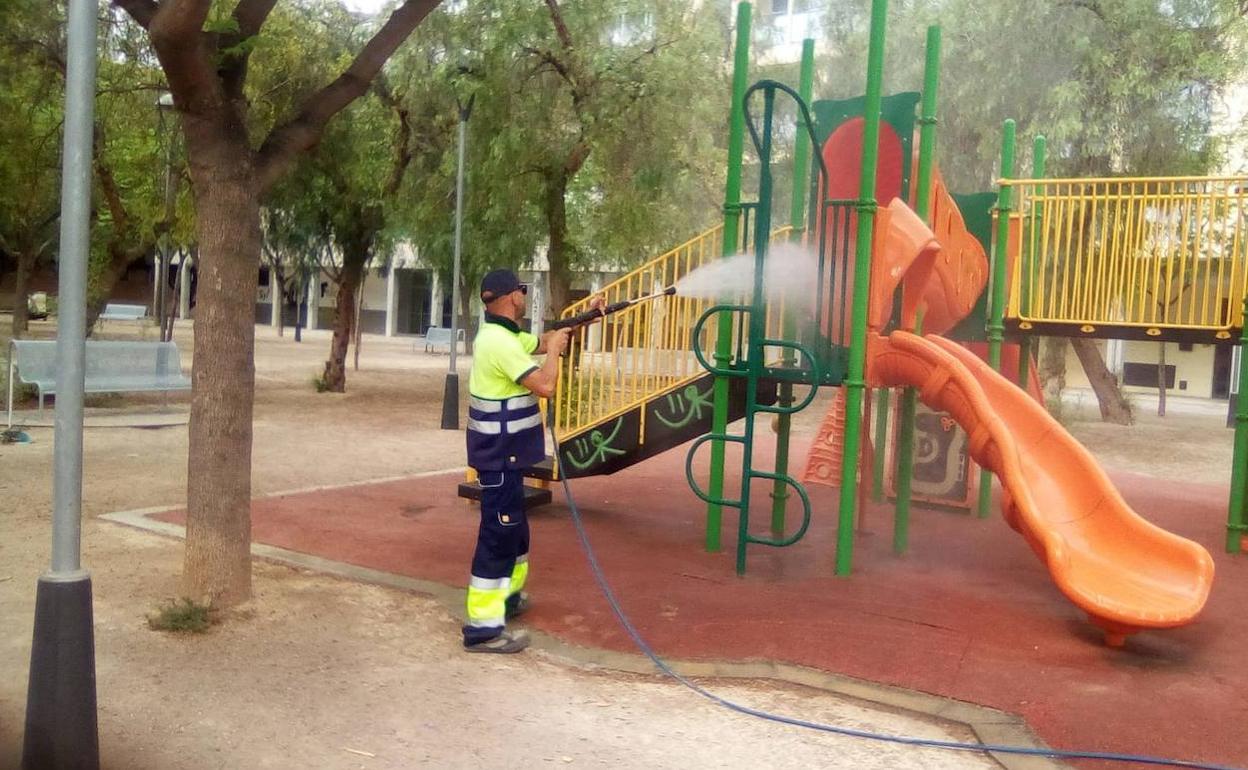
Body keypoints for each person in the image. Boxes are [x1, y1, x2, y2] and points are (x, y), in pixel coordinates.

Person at [462, 268, 602, 653]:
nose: (525, 295)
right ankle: (482, 629)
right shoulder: (498, 343)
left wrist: (584, 317)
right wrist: (555, 352)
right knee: (497, 535)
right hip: (499, 457)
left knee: (516, 533)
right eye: (522, 291)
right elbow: (546, 385)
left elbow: (539, 341)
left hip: (509, 456)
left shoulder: (505, 335)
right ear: (512, 297)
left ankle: (508, 599)